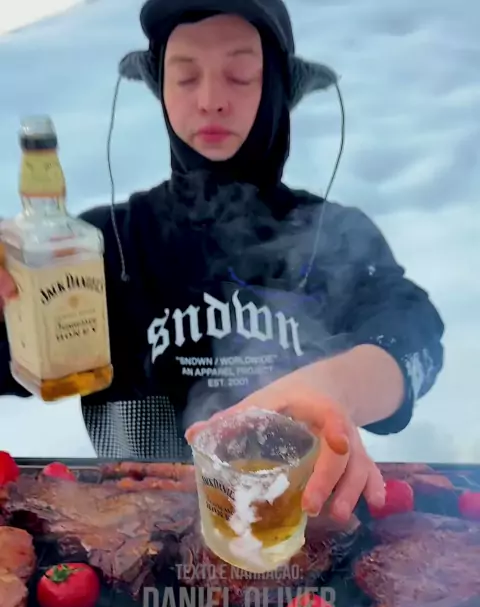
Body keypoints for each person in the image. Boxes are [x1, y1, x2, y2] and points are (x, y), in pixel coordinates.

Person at [0, 0, 445, 522]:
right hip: (135, 539)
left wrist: (339, 386)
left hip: (295, 532)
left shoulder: (333, 235)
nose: (210, 100)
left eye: (240, 75)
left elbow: (414, 333)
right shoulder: (102, 247)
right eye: (186, 77)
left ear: (276, 86)